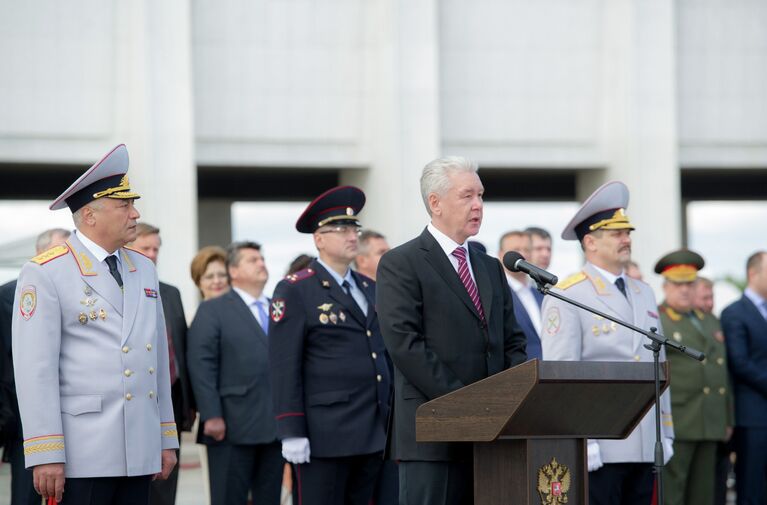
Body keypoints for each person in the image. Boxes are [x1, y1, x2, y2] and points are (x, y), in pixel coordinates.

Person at [11, 144, 178, 504]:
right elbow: (34, 370)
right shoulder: (46, 272)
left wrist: (165, 438)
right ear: (89, 215)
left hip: (139, 449)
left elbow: (158, 362)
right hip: (82, 452)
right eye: (124, 206)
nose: (135, 214)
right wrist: (45, 452)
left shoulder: (143, 268)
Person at [376, 156, 527, 505]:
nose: (478, 205)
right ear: (435, 202)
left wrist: (505, 400)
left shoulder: (489, 266)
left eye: (481, 196)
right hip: (434, 432)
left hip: (493, 433)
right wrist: (467, 404)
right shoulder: (403, 262)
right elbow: (405, 345)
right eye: (467, 196)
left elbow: (512, 341)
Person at [540, 180, 674, 505]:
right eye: (616, 233)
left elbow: (658, 363)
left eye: (627, 232)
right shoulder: (569, 294)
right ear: (590, 242)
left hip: (645, 440)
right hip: (602, 443)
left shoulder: (644, 292)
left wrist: (666, 430)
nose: (627, 239)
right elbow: (562, 374)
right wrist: (582, 440)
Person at [269, 186, 392, 505]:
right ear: (319, 238)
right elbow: (284, 365)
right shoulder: (296, 289)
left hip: (373, 429)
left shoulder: (369, 287)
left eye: (354, 228)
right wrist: (291, 429)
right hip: (325, 435)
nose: (351, 235)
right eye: (340, 229)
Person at [188, 241, 283, 505]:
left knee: (269, 499)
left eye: (262, 259)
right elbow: (201, 364)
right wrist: (212, 415)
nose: (261, 264)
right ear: (234, 270)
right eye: (253, 260)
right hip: (232, 426)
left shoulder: (277, 307)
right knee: (230, 498)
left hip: (275, 425)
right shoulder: (213, 310)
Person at [655, 249, 732, 505]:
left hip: (709, 421)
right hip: (679, 420)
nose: (685, 290)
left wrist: (727, 417)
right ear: (666, 287)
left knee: (704, 495)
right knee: (674, 494)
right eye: (678, 284)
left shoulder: (709, 320)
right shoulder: (659, 320)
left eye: (689, 283)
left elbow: (722, 372)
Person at [0, 228, 70, 505]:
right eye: (57, 252)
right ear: (39, 255)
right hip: (23, 418)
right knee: (27, 496)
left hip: (73, 416)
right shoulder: (9, 295)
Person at [129, 223, 196, 505]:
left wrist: (189, 403)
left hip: (171, 402)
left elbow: (181, 348)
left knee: (165, 487)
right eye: (146, 248)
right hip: (133, 403)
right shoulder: (119, 291)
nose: (153, 254)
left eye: (156, 249)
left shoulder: (171, 292)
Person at [721, 251, 767, 505]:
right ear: (753, 273)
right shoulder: (735, 313)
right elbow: (740, 362)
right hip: (753, 418)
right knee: (752, 488)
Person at [497, 230, 543, 360]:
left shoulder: (541, 294)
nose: (522, 254)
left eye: (527, 250)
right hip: (518, 374)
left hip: (549, 373)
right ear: (501, 255)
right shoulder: (498, 294)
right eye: (516, 250)